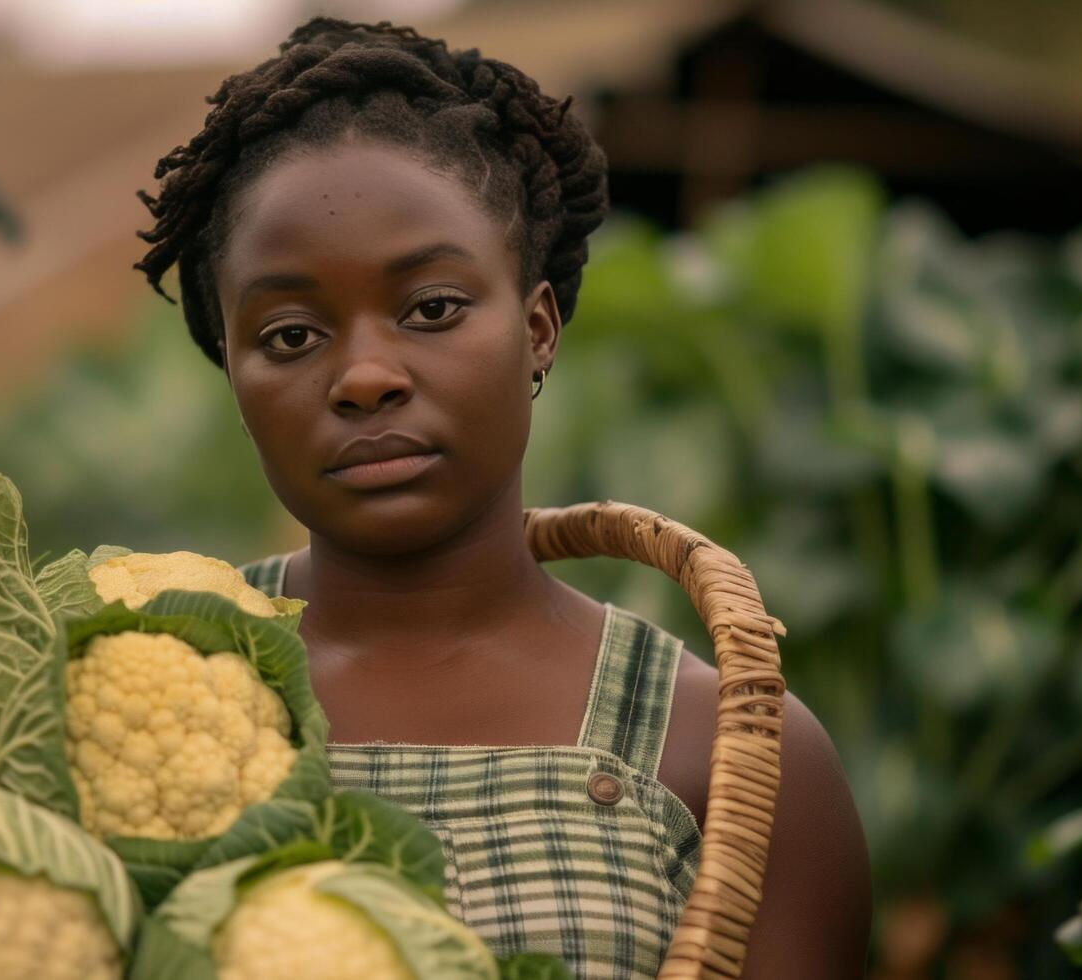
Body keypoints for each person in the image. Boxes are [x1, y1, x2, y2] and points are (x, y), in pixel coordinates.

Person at [135, 17, 870, 978]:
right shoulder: (146, 693)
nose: (363, 376)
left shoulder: (732, 756)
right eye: (288, 336)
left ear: (536, 329)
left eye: (431, 309)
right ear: (231, 374)